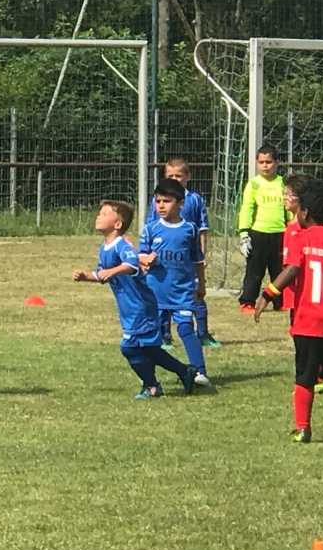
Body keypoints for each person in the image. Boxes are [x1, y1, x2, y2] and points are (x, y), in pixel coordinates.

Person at [254, 178, 323, 443]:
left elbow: (292, 269)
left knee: (305, 377)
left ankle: (303, 429)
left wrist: (268, 294)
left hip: (309, 320)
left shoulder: (301, 238)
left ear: (305, 212)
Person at [73, 200, 196, 399]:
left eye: (104, 214)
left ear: (118, 224)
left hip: (141, 307)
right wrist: (86, 276)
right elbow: (101, 273)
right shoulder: (104, 248)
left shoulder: (122, 245)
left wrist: (112, 271)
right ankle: (184, 371)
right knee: (148, 349)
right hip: (129, 308)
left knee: (129, 347)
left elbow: (132, 264)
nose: (98, 216)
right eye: (99, 213)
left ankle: (152, 386)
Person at [139, 178, 211, 387]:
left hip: (182, 291)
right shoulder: (151, 228)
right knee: (152, 335)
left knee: (186, 329)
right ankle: (150, 380)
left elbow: (197, 260)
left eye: (167, 201)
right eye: (158, 201)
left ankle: (199, 372)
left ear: (180, 203)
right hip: (155, 291)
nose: (161, 206)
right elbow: (140, 255)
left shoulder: (190, 229)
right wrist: (145, 259)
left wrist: (201, 284)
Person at [146, 157, 221, 349]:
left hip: (187, 256)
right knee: (163, 296)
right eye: (170, 176)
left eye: (178, 176)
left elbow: (202, 229)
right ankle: (165, 336)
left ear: (188, 177)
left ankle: (202, 333)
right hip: (165, 258)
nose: (174, 179)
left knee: (195, 293)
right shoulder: (158, 201)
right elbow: (151, 227)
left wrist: (202, 255)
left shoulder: (194, 199)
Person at [282, 173, 323, 395]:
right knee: (297, 335)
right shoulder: (290, 227)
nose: (285, 197)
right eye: (284, 193)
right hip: (293, 294)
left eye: (289, 194)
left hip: (305, 294)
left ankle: (314, 377)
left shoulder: (305, 229)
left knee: (307, 337)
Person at [237, 144, 289, 313]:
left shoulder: (283, 183)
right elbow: (247, 208)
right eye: (261, 162)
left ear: (277, 162)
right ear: (256, 163)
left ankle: (280, 302)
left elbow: (289, 207)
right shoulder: (253, 184)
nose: (265, 166)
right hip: (258, 233)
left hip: (280, 233)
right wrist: (244, 233)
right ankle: (247, 302)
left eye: (269, 162)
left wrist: (292, 227)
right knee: (255, 270)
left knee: (279, 271)